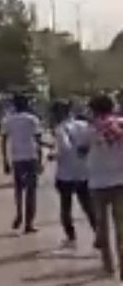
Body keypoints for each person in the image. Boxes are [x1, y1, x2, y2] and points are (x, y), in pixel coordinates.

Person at [79, 94, 123, 278]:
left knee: (102, 226)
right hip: (121, 181)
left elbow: (81, 151)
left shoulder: (88, 129)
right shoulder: (121, 123)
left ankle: (109, 265)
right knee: (121, 227)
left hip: (97, 183)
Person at [50, 100, 96, 251]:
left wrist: (53, 155)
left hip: (66, 174)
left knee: (66, 206)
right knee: (89, 207)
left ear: (57, 113)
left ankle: (71, 238)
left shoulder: (60, 129)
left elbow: (64, 148)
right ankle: (99, 234)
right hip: (84, 172)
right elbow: (93, 143)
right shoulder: (84, 125)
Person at [1, 93, 42, 233]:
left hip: (16, 158)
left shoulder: (8, 120)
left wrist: (5, 161)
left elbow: (3, 141)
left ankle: (19, 214)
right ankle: (29, 224)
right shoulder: (32, 119)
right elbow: (38, 141)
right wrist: (41, 160)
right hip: (31, 156)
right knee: (31, 192)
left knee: (18, 190)